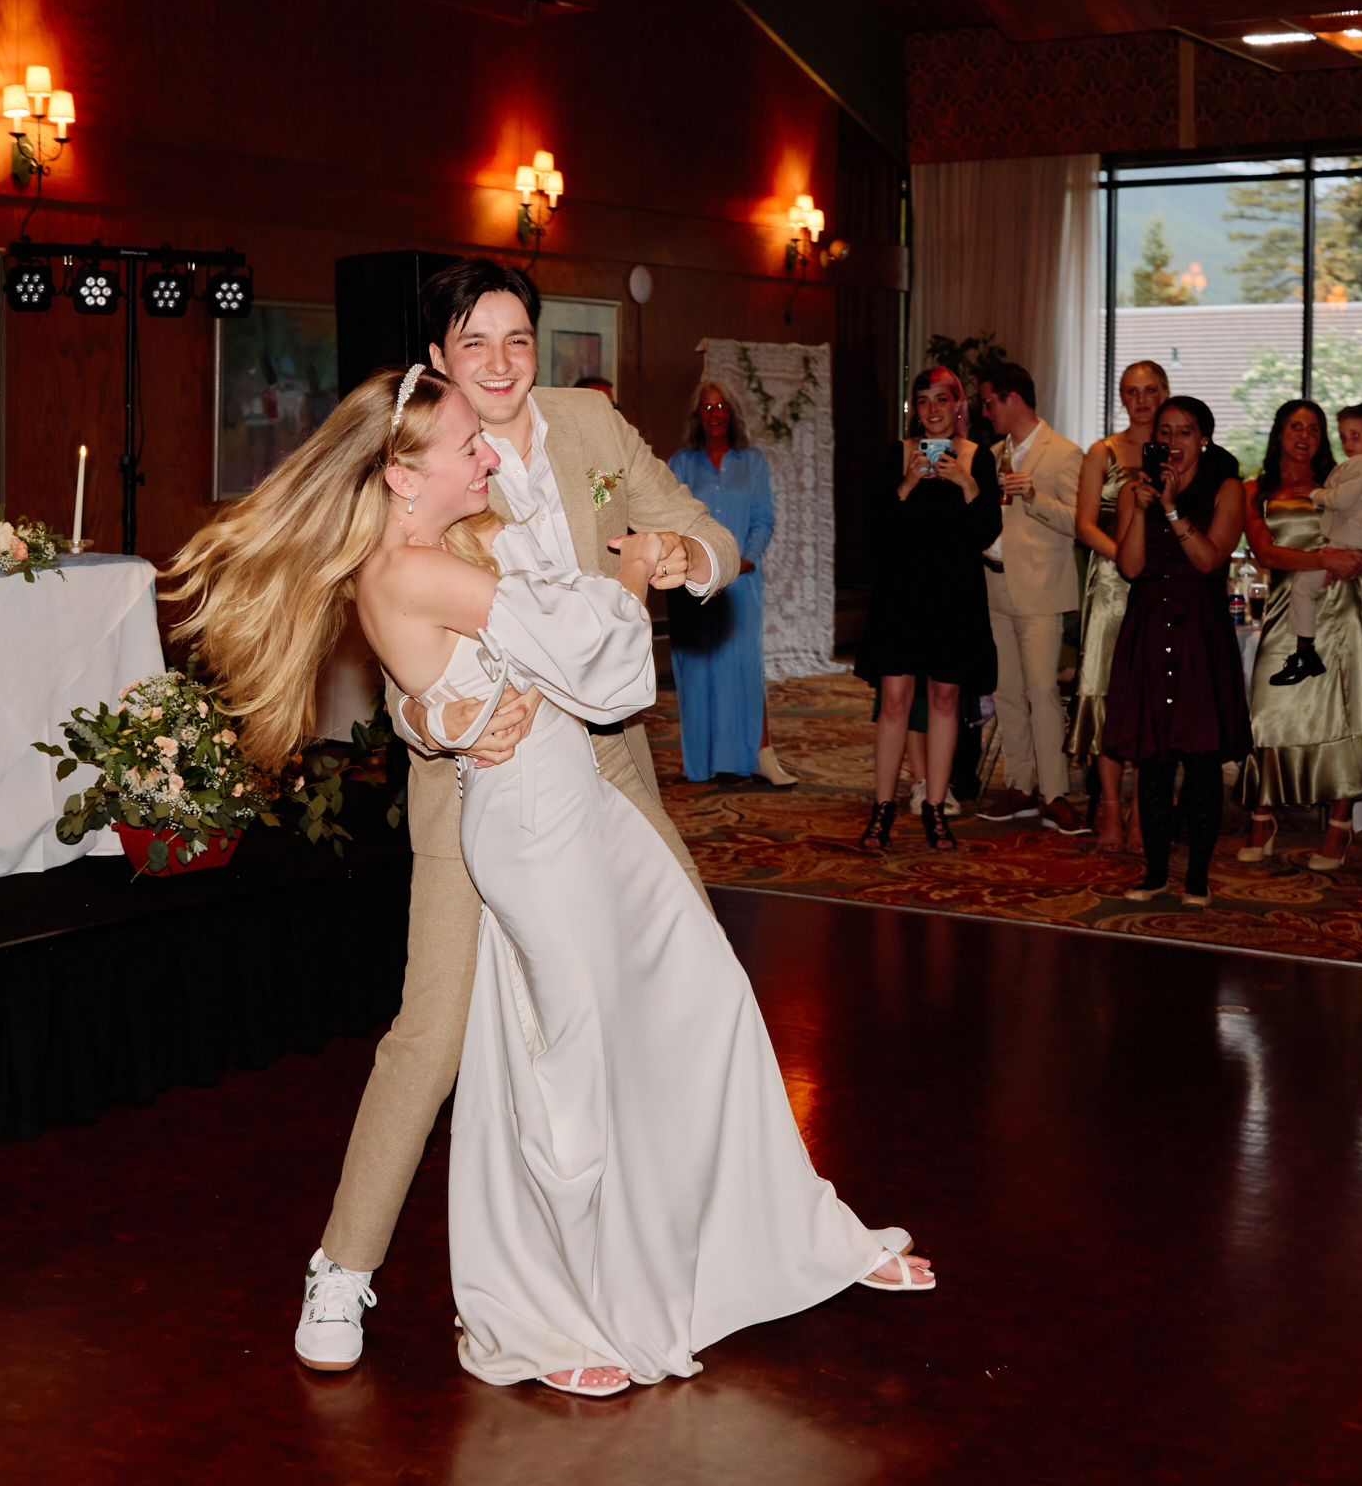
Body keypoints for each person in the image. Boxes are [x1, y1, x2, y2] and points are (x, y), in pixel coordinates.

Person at [170, 363, 933, 1401]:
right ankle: (536, 1310)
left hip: (589, 809)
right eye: (463, 447)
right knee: (557, 1065)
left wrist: (650, 563)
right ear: (401, 475)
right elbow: (604, 661)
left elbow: (568, 619)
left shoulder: (456, 535)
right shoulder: (409, 570)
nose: (486, 447)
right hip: (530, 828)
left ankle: (783, 1232)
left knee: (705, 1003)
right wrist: (613, 593)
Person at [229, 258, 741, 1374]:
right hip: (474, 783)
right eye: (476, 345)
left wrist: (682, 555)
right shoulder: (430, 459)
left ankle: (697, 1242)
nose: (502, 365)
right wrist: (433, 714)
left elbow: (708, 532)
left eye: (518, 339)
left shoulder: (588, 428)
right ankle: (344, 1268)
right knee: (438, 1026)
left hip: (604, 764)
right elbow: (401, 619)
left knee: (689, 976)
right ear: (438, 360)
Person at [1102, 396, 1249, 905]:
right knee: (1154, 758)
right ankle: (1156, 873)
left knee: (1203, 759)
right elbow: (1129, 568)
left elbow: (1210, 559)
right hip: (1147, 625)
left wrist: (1170, 507)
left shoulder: (1227, 488)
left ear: (1203, 439)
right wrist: (1143, 509)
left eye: (1184, 432)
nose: (1172, 442)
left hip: (1198, 630)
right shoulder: (1131, 491)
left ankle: (1198, 879)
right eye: (1165, 432)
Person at [854, 365, 1001, 853]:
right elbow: (875, 536)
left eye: (942, 400)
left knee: (944, 701)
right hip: (902, 594)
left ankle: (935, 808)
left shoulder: (979, 458)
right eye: (923, 401)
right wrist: (907, 485)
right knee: (895, 701)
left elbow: (985, 533)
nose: (933, 410)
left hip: (954, 595)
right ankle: (882, 809)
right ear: (913, 408)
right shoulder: (898, 454)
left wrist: (967, 483)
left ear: (958, 405)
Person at [1238, 400, 1362, 874]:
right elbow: (1266, 552)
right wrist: (1324, 560)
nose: (1305, 435)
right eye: (1296, 426)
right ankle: (1263, 816)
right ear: (1280, 433)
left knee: (1343, 709)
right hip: (1284, 610)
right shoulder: (1254, 489)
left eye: (1314, 429)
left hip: (1343, 609)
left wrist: (1352, 561)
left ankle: (1339, 824)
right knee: (1270, 710)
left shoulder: (1342, 485)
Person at [975, 363, 1086, 835]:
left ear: (1014, 398)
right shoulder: (992, 453)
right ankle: (1019, 786)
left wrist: (1036, 496)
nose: (986, 411)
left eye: (990, 402)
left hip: (1040, 591)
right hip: (994, 586)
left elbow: (1080, 521)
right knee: (1006, 694)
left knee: (1042, 693)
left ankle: (1055, 793)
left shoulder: (1063, 453)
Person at [667, 379, 795, 787]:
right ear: (697, 418)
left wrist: (744, 561)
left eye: (721, 407)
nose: (715, 414)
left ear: (732, 414)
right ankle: (702, 764)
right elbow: (669, 519)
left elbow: (763, 519)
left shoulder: (752, 462)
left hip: (742, 584)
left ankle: (756, 756)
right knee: (699, 672)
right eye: (707, 408)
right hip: (694, 586)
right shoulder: (682, 464)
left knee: (742, 669)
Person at [1069, 361, 1170, 856]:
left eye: (1151, 390)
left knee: (1154, 701)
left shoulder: (1184, 449)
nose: (1142, 399)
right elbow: (1084, 524)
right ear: (1121, 398)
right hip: (1113, 584)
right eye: (1132, 392)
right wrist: (1129, 560)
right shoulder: (1101, 452)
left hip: (1164, 586)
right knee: (1108, 696)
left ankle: (1143, 811)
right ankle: (1110, 806)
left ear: (1165, 393)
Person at [1272, 402, 1362, 683]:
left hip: (1346, 546)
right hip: (1356, 549)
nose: (1348, 444)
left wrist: (1316, 494)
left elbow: (1342, 499)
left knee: (1303, 587)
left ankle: (1305, 651)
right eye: (1343, 436)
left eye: (1355, 436)